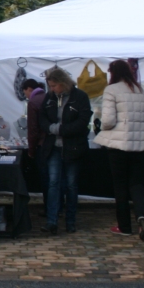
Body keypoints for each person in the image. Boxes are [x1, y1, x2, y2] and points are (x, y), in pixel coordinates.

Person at [93, 60, 144, 240]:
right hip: (140, 145)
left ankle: (125, 226)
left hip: (119, 145)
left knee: (120, 186)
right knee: (137, 183)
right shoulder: (139, 89)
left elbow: (108, 121)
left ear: (113, 72)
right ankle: (142, 215)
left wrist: (101, 124)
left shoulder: (112, 90)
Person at [38, 67, 91, 234]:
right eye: (50, 86)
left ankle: (70, 220)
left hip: (73, 147)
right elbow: (42, 118)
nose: (52, 89)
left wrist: (63, 130)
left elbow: (83, 121)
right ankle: (52, 221)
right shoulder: (50, 97)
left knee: (71, 185)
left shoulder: (80, 97)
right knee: (53, 183)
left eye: (54, 86)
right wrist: (52, 129)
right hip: (54, 146)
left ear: (62, 83)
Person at [21, 78, 47, 211]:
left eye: (25, 92)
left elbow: (33, 129)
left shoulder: (33, 102)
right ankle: (55, 209)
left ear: (29, 90)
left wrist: (31, 150)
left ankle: (49, 208)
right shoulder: (48, 98)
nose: (26, 96)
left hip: (41, 146)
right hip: (53, 143)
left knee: (45, 177)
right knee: (54, 178)